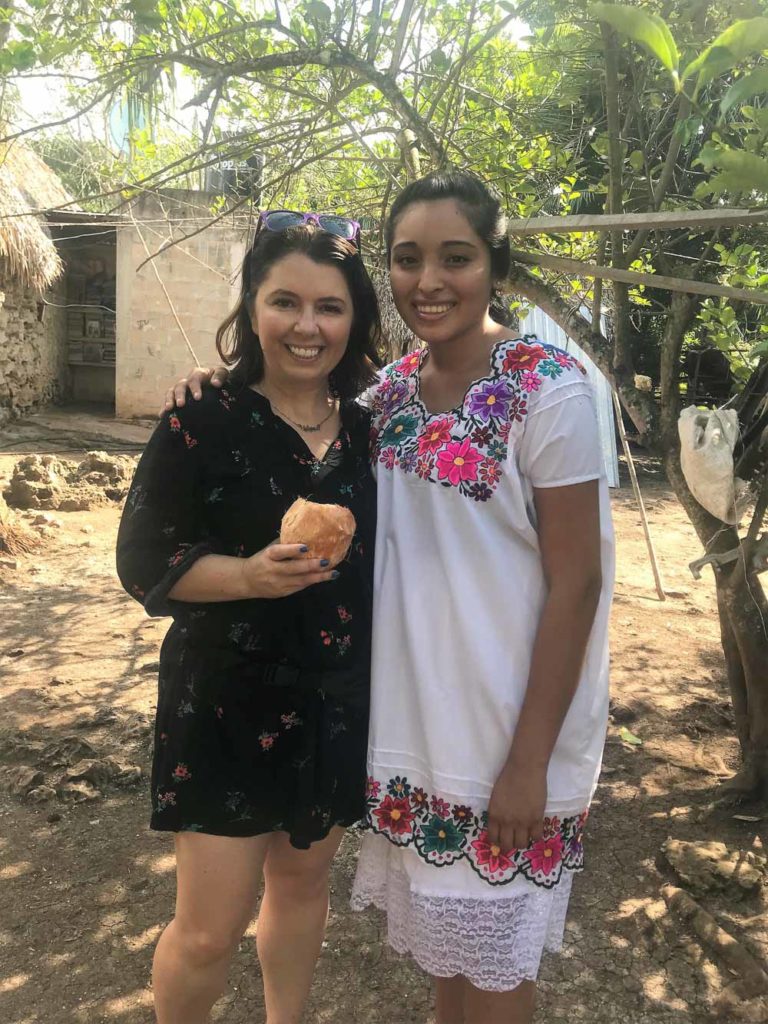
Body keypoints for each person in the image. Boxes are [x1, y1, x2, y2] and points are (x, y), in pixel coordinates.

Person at [166, 172, 614, 1024]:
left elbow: (579, 582)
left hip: (508, 738)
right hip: (417, 741)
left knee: (492, 978)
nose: (429, 280)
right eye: (407, 259)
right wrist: (211, 382)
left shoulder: (551, 388)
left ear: (495, 264)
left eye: (457, 257)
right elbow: (287, 391)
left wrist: (528, 763)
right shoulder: (387, 394)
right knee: (452, 969)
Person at [116, 213, 381, 1024]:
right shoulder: (201, 419)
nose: (308, 326)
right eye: (286, 302)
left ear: (355, 318)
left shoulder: (375, 431)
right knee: (207, 930)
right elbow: (142, 558)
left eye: (330, 307)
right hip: (226, 704)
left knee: (301, 890)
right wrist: (248, 577)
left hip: (335, 700)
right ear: (252, 306)